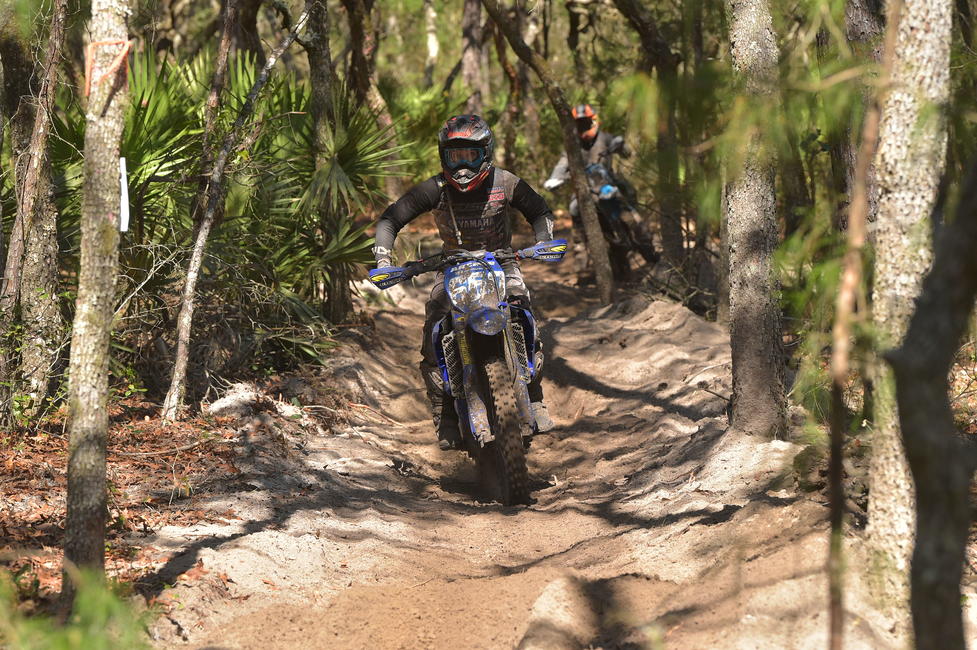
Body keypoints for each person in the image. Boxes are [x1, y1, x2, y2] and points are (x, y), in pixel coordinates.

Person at [373, 114, 556, 451]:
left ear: (485, 152)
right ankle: (443, 413)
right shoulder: (435, 189)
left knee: (522, 309)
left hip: (501, 263)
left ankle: (535, 394)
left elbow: (540, 210)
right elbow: (390, 219)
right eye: (453, 156)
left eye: (469, 156)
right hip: (453, 267)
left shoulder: (506, 182)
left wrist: (544, 242)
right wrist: (384, 260)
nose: (462, 166)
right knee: (434, 326)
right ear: (443, 156)